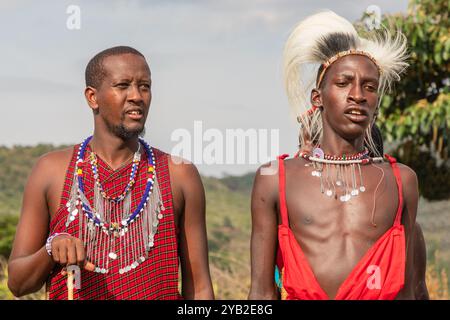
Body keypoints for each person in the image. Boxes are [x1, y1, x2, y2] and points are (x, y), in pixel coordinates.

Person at [8, 46, 214, 300]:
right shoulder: (52, 171)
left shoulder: (179, 174)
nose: (137, 96)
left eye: (145, 86)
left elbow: (200, 289)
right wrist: (52, 248)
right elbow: (18, 284)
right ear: (92, 97)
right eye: (123, 85)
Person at [248, 11, 428, 300]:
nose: (358, 95)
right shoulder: (274, 179)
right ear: (317, 97)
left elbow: (406, 290)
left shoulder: (401, 181)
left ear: (377, 103)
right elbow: (261, 292)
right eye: (344, 83)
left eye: (369, 87)